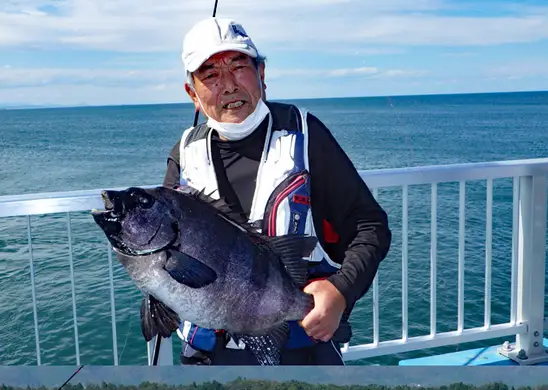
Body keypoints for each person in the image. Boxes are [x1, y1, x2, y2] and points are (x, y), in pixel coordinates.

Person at [164, 18, 391, 366]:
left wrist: (341, 291)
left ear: (262, 73)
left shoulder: (305, 134)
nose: (228, 85)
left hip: (300, 346)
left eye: (239, 66)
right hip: (207, 354)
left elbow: (369, 226)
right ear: (192, 93)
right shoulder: (184, 154)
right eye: (210, 75)